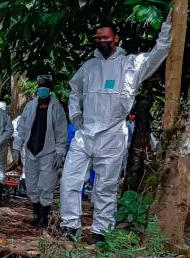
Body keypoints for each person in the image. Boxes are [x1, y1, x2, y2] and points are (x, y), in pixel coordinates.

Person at [60, 12, 172, 243]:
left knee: (106, 185)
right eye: (98, 37)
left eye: (106, 37)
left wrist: (168, 26)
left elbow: (158, 53)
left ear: (116, 38)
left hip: (113, 134)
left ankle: (101, 231)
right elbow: (74, 90)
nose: (102, 41)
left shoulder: (130, 64)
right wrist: (76, 116)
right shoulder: (89, 67)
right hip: (85, 133)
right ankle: (70, 227)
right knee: (70, 180)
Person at [12, 75, 67, 228]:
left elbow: (61, 132)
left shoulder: (56, 108)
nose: (42, 89)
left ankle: (43, 217)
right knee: (31, 185)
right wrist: (17, 146)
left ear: (49, 89)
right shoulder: (30, 106)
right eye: (40, 86)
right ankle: (36, 214)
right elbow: (22, 127)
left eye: (45, 86)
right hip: (30, 151)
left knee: (46, 186)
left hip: (48, 153)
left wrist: (60, 152)